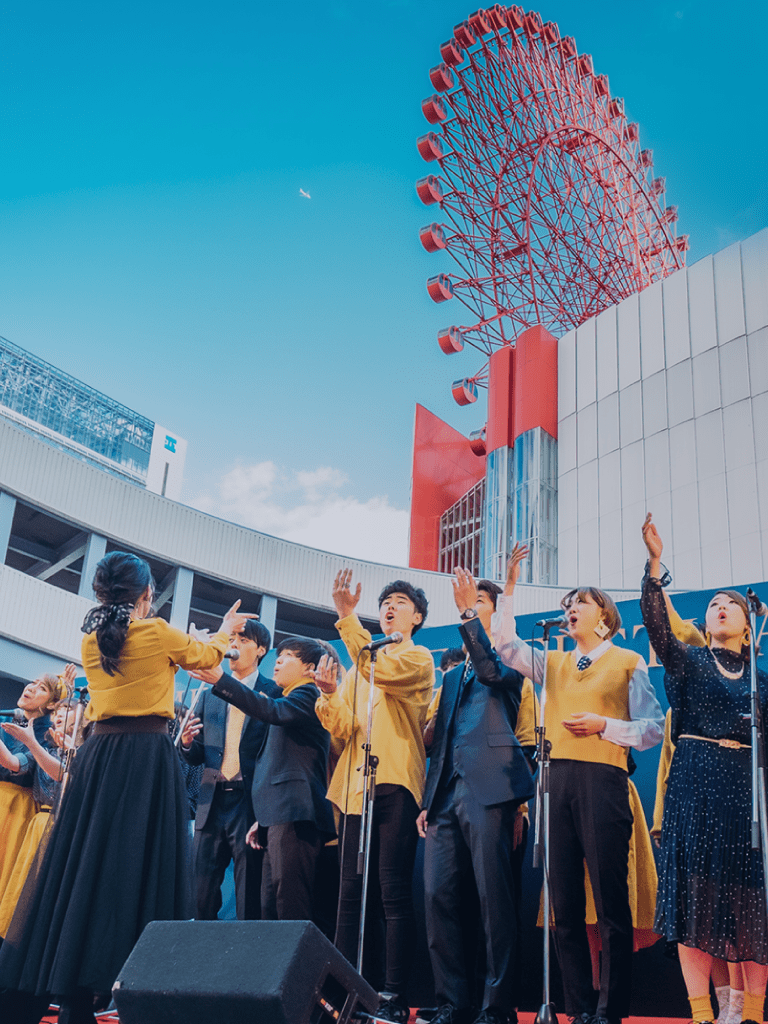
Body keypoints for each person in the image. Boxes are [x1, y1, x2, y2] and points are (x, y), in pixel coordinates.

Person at [0, 550, 250, 1024]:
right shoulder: (156, 632)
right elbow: (208, 655)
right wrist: (225, 627)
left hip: (99, 757)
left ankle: (73, 998)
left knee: (84, 869)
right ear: (147, 595)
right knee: (138, 866)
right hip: (144, 758)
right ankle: (133, 989)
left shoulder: (94, 641)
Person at [493, 544, 664, 1024]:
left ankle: (610, 1012)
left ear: (604, 615)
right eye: (567, 604)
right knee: (564, 905)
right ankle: (577, 1010)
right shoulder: (554, 662)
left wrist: (605, 726)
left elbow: (652, 728)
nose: (569, 609)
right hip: (554, 779)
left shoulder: (628, 660)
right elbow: (505, 648)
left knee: (611, 903)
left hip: (604, 779)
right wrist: (508, 589)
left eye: (580, 603)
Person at [640, 513, 767, 1024]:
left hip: (745, 792)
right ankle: (702, 1015)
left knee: (751, 908)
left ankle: (753, 1014)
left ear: (746, 622)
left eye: (728, 605)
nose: (717, 609)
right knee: (695, 904)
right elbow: (655, 622)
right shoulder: (688, 660)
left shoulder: (760, 678)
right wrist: (653, 563)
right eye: (712, 604)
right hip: (694, 782)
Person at [315, 570, 434, 1024]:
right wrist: (328, 697)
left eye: (400, 601)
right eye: (385, 601)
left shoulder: (417, 657)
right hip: (352, 787)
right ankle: (345, 990)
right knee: (348, 893)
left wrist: (347, 617)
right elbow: (343, 730)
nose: (390, 606)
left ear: (417, 615)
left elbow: (380, 671)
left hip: (395, 780)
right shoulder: (358, 665)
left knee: (392, 892)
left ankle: (393, 994)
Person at [417, 570, 534, 1024]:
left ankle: (498, 1006)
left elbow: (487, 668)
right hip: (446, 795)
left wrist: (468, 615)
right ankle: (452, 1002)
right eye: (470, 600)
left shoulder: (511, 659)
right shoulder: (448, 678)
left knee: (494, 900)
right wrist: (428, 800)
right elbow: (441, 738)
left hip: (491, 789)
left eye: (481, 599)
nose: (473, 602)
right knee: (437, 896)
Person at [191, 637, 335, 921]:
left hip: (296, 814)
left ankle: (297, 967)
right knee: (269, 906)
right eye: (278, 655)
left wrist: (222, 680)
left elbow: (272, 711)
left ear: (309, 668)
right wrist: (264, 817)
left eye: (288, 656)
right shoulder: (287, 699)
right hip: (276, 815)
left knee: (289, 906)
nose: (278, 661)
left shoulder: (309, 695)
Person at [180, 619, 279, 921]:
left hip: (248, 801)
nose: (233, 645)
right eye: (232, 639)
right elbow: (198, 755)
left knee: (249, 890)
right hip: (212, 800)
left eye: (243, 640)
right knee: (199, 891)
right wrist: (186, 743)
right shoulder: (207, 692)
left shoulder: (273, 692)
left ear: (261, 649)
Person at [0, 694, 82, 937]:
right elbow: (13, 763)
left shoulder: (87, 751)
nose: (58, 714)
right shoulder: (45, 748)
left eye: (66, 709)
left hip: (66, 827)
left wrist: (32, 743)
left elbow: (64, 775)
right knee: (20, 891)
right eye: (57, 710)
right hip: (40, 823)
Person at [0, 670, 68, 908]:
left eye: (41, 688)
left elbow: (13, 764)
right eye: (33, 682)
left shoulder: (43, 734)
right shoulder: (11, 718)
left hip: (16, 806)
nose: (30, 687)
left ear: (51, 704)